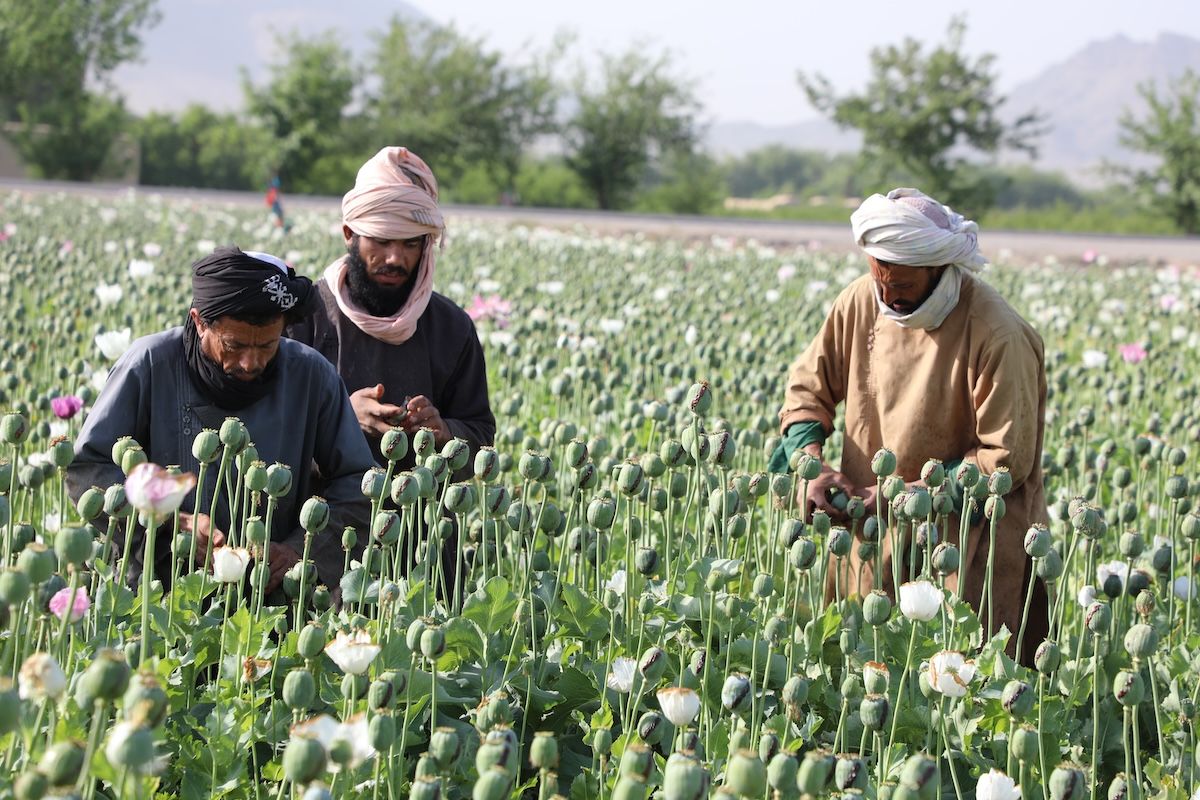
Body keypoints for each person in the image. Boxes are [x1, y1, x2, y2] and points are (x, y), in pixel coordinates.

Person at [773, 187, 1049, 660]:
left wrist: (896, 497)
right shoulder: (861, 303)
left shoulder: (996, 333)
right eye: (880, 281)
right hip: (871, 541)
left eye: (902, 287)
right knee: (870, 680)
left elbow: (1003, 462)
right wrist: (811, 466)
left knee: (965, 690)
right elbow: (805, 394)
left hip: (968, 551)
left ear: (939, 269)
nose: (888, 297)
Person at [67, 247, 375, 592]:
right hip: (155, 596)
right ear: (200, 322)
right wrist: (168, 522)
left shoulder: (311, 375)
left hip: (269, 599)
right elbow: (88, 468)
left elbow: (358, 482)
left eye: (267, 346)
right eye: (234, 345)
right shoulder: (150, 364)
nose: (250, 363)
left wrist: (301, 549)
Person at [286, 146, 495, 472]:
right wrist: (340, 416)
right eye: (382, 240)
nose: (396, 258)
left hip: (422, 520)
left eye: (410, 243)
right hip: (319, 517)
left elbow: (481, 435)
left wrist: (444, 432)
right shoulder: (303, 315)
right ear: (349, 235)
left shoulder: (452, 328)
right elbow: (265, 428)